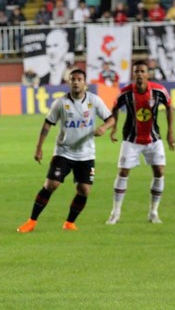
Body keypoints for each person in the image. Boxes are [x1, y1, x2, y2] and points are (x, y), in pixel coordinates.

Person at [17, 69, 115, 233]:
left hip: (86, 153)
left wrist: (104, 128)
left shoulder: (94, 100)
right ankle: (31, 221)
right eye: (73, 79)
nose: (76, 82)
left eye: (79, 79)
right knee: (51, 185)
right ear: (69, 82)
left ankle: (69, 222)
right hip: (64, 151)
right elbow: (47, 124)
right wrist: (39, 148)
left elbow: (111, 119)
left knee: (84, 190)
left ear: (85, 83)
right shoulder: (61, 103)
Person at [106, 60, 175, 225]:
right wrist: (114, 128)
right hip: (131, 140)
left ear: (147, 74)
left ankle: (153, 212)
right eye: (136, 71)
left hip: (153, 139)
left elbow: (169, 107)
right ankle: (115, 213)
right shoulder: (125, 93)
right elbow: (114, 108)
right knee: (123, 172)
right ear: (133, 74)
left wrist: (170, 132)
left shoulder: (159, 91)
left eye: (142, 71)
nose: (139, 74)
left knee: (159, 171)